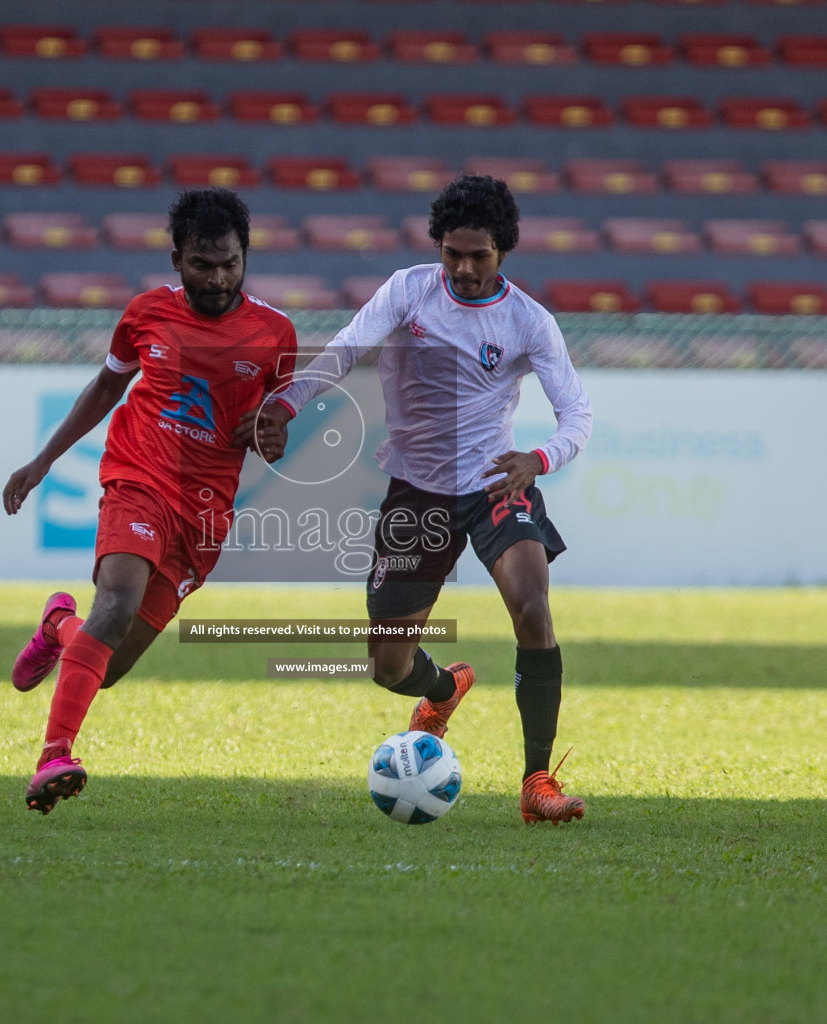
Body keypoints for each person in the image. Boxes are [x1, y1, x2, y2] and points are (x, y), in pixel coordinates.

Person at [251, 175, 594, 824]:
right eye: (453, 254)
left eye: (479, 256)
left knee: (532, 606)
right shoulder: (408, 291)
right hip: (416, 493)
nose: (463, 268)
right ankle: (443, 689)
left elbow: (577, 415)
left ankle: (536, 781)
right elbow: (347, 348)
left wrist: (536, 459)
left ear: (504, 253)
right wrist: (287, 403)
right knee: (388, 666)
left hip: (495, 484)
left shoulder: (528, 321)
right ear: (439, 247)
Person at [2, 187, 296, 813]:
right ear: (176, 261)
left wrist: (271, 429)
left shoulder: (276, 334)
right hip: (139, 476)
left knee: (103, 665)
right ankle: (54, 756)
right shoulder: (145, 314)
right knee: (116, 600)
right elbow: (107, 385)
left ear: (246, 258)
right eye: (202, 264)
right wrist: (43, 461)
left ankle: (59, 624)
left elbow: (278, 430)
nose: (217, 279)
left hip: (206, 513)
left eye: (229, 264)